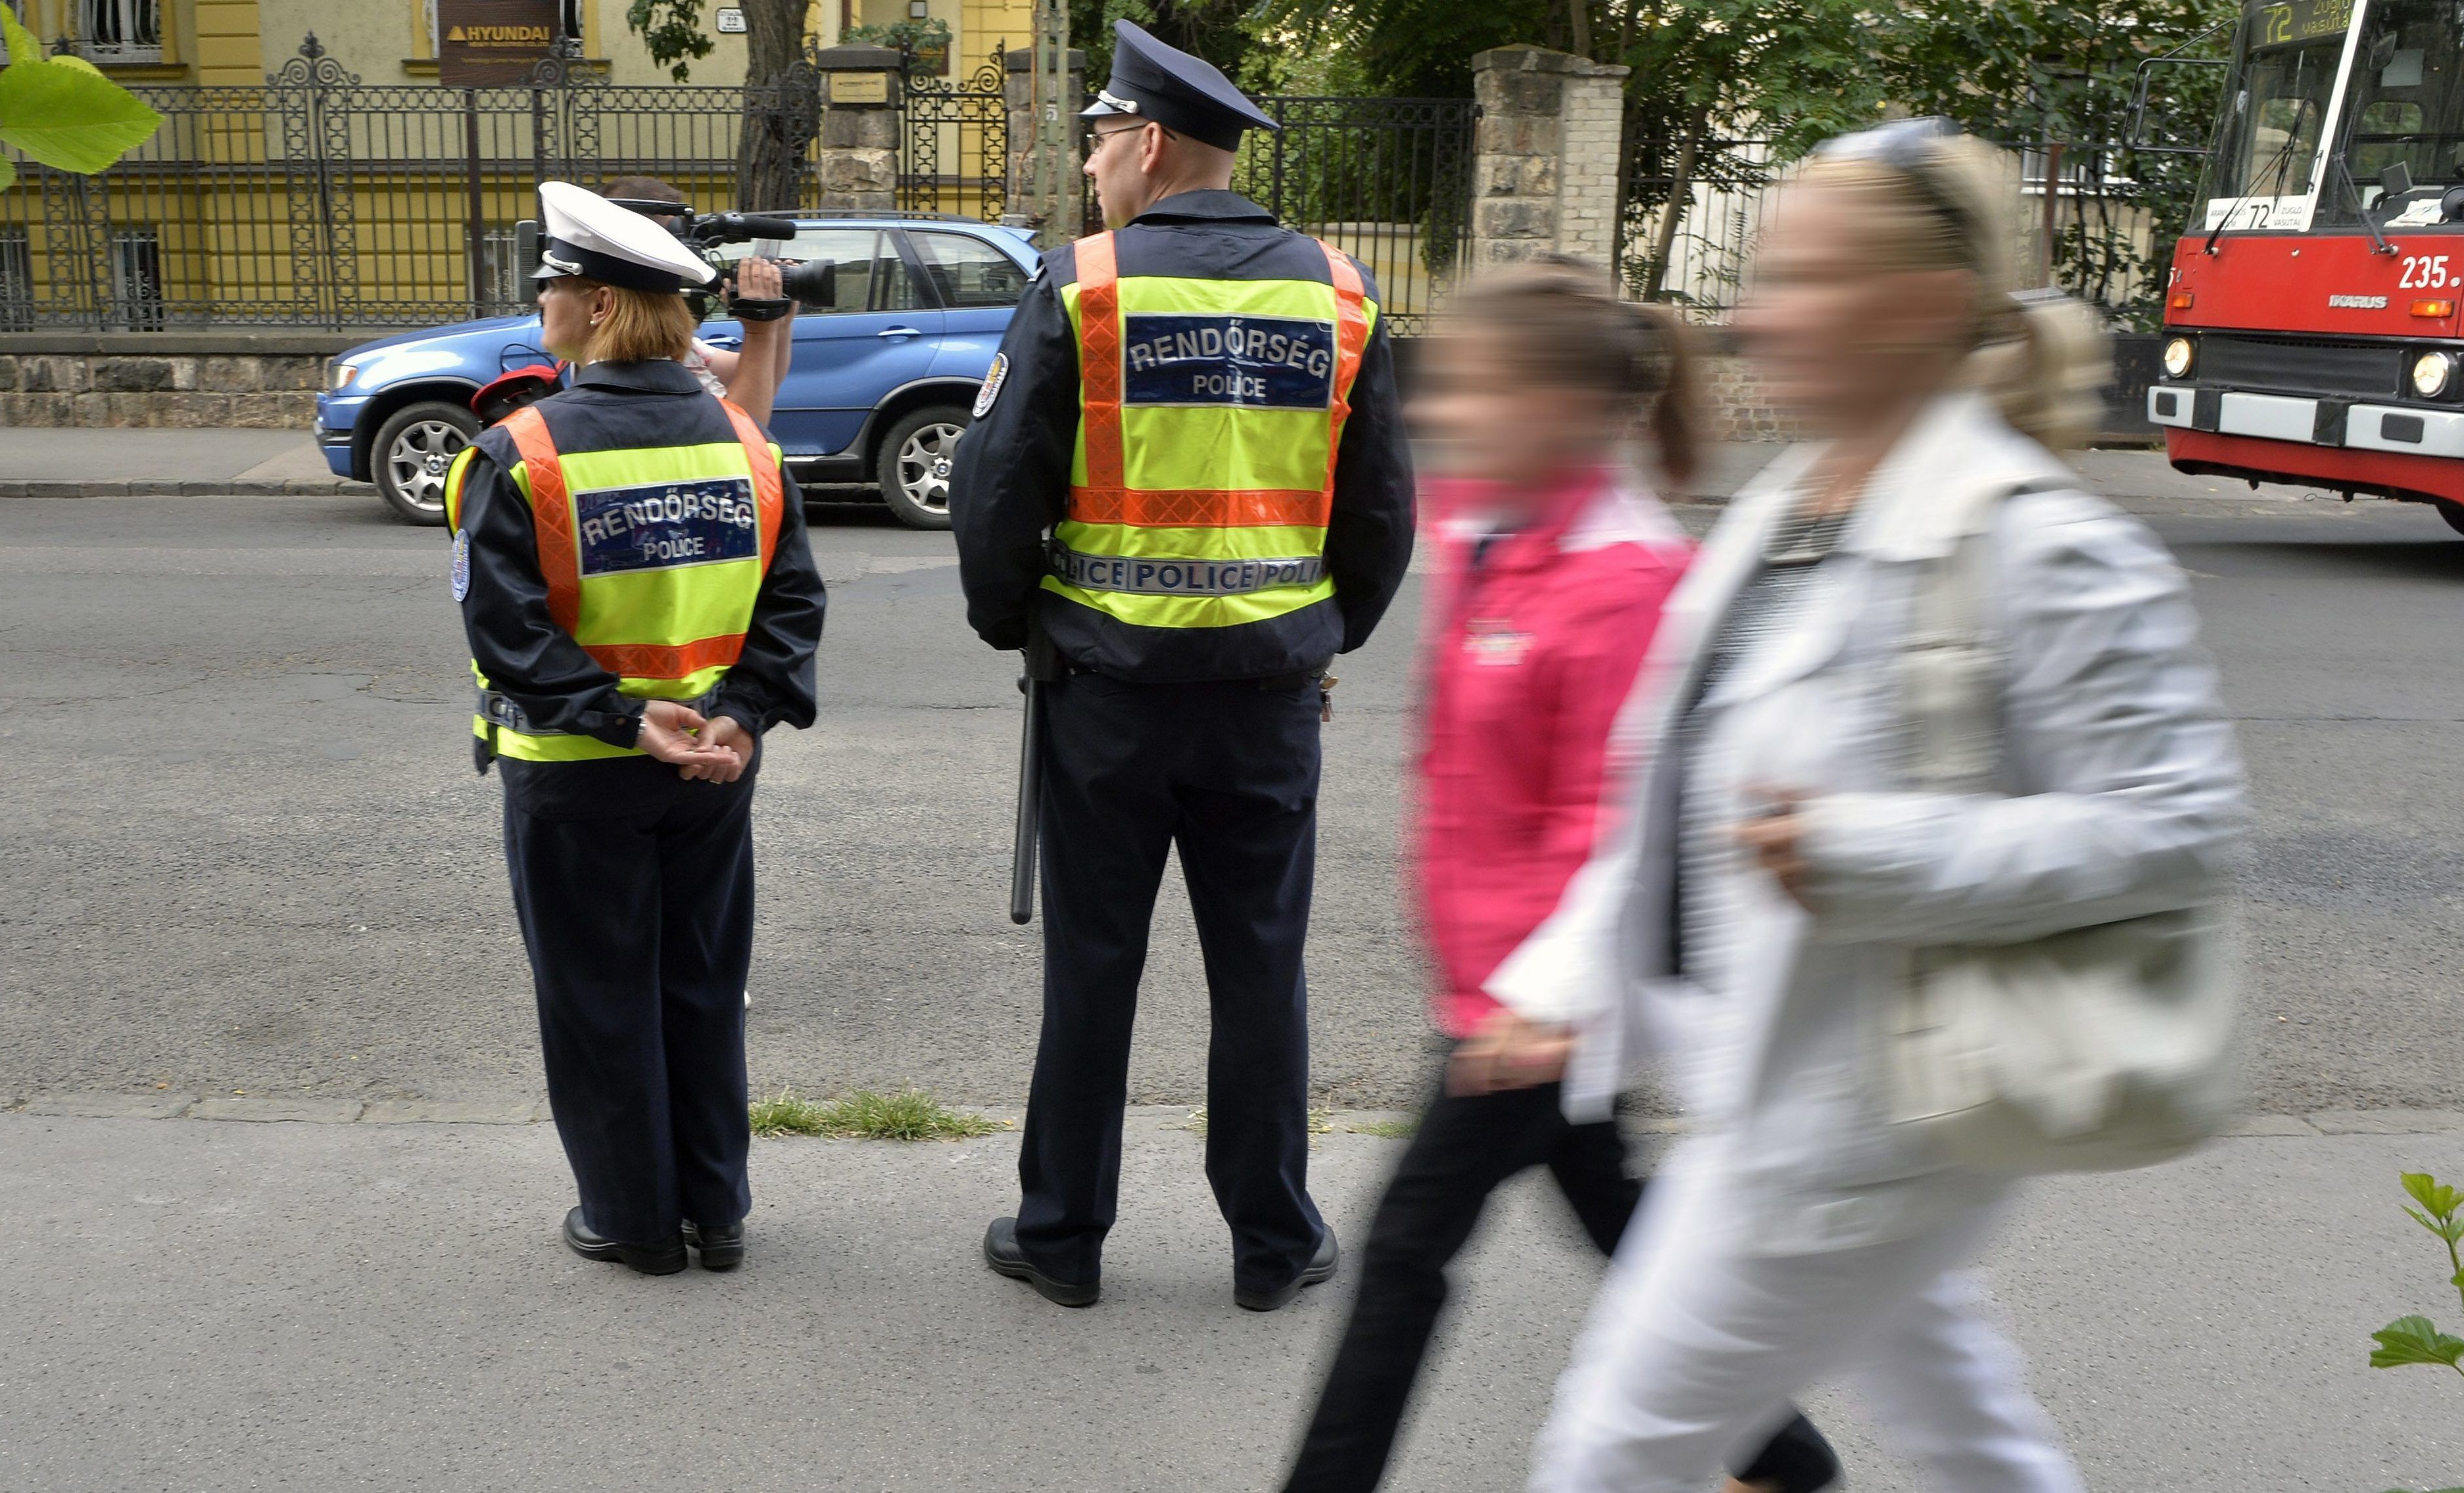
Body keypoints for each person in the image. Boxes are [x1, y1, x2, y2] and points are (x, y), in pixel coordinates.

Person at [1507, 120, 2246, 1490]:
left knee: (1606, 1455)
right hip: (1774, 1077)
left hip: (1862, 1117)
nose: (1747, 313)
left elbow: (2183, 825)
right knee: (1976, 1443)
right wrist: (1559, 978)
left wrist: (1880, 849)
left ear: (1913, 305)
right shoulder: (1792, 499)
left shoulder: (2040, 540)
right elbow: (1668, 779)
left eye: (1799, 277)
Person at [1276, 260, 1839, 1493]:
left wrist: (1540, 998)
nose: (1441, 416)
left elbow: (1622, 823)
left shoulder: (1627, 580)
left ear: (1566, 411)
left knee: (1405, 1250)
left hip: (1539, 1002)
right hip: (1494, 980)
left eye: (1476, 391)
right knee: (1619, 1223)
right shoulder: (1497, 524)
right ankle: (1783, 1456)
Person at [952, 18, 1414, 1312]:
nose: (1093, 163)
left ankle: (1063, 1238)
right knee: (1261, 967)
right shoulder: (1339, 293)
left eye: (1101, 140)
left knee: (1095, 966)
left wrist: (1022, 625)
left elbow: (995, 502)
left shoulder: (1083, 287)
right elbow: (1380, 517)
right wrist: (1317, 637)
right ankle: (1272, 1243)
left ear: (1147, 144)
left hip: (1105, 698)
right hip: (1270, 704)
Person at [445, 181, 825, 1276]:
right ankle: (720, 1210)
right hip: (712, 770)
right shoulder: (748, 446)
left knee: (597, 995)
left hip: (573, 771)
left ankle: (633, 1220)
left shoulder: (519, 455)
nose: (541, 299)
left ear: (603, 308)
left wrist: (617, 717)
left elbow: (508, 636)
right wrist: (744, 715)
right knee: (701, 984)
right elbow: (791, 607)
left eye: (555, 283)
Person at [597, 174, 796, 416]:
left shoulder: (661, 335)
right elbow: (743, 430)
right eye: (671, 234)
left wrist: (778, 324)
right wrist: (760, 331)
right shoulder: (632, 341)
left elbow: (764, 380)